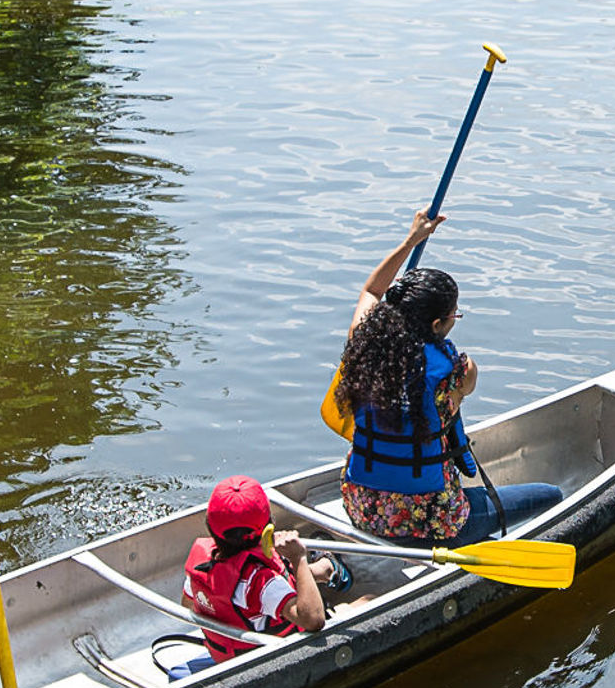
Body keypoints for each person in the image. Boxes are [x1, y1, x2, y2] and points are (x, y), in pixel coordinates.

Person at [338, 212, 568, 548]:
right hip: (434, 519)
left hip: (362, 508)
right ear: (435, 325)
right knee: (551, 495)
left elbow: (373, 290)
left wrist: (410, 240)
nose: (454, 320)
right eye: (453, 315)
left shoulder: (361, 343)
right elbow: (461, 384)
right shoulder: (458, 370)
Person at [182, 475, 342, 658]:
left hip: (229, 654)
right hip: (268, 657)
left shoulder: (202, 566)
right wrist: (299, 558)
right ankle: (330, 570)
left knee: (287, 572)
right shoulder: (263, 582)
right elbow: (313, 620)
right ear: (268, 529)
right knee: (366, 600)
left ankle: (327, 569)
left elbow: (188, 603)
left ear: (210, 527)